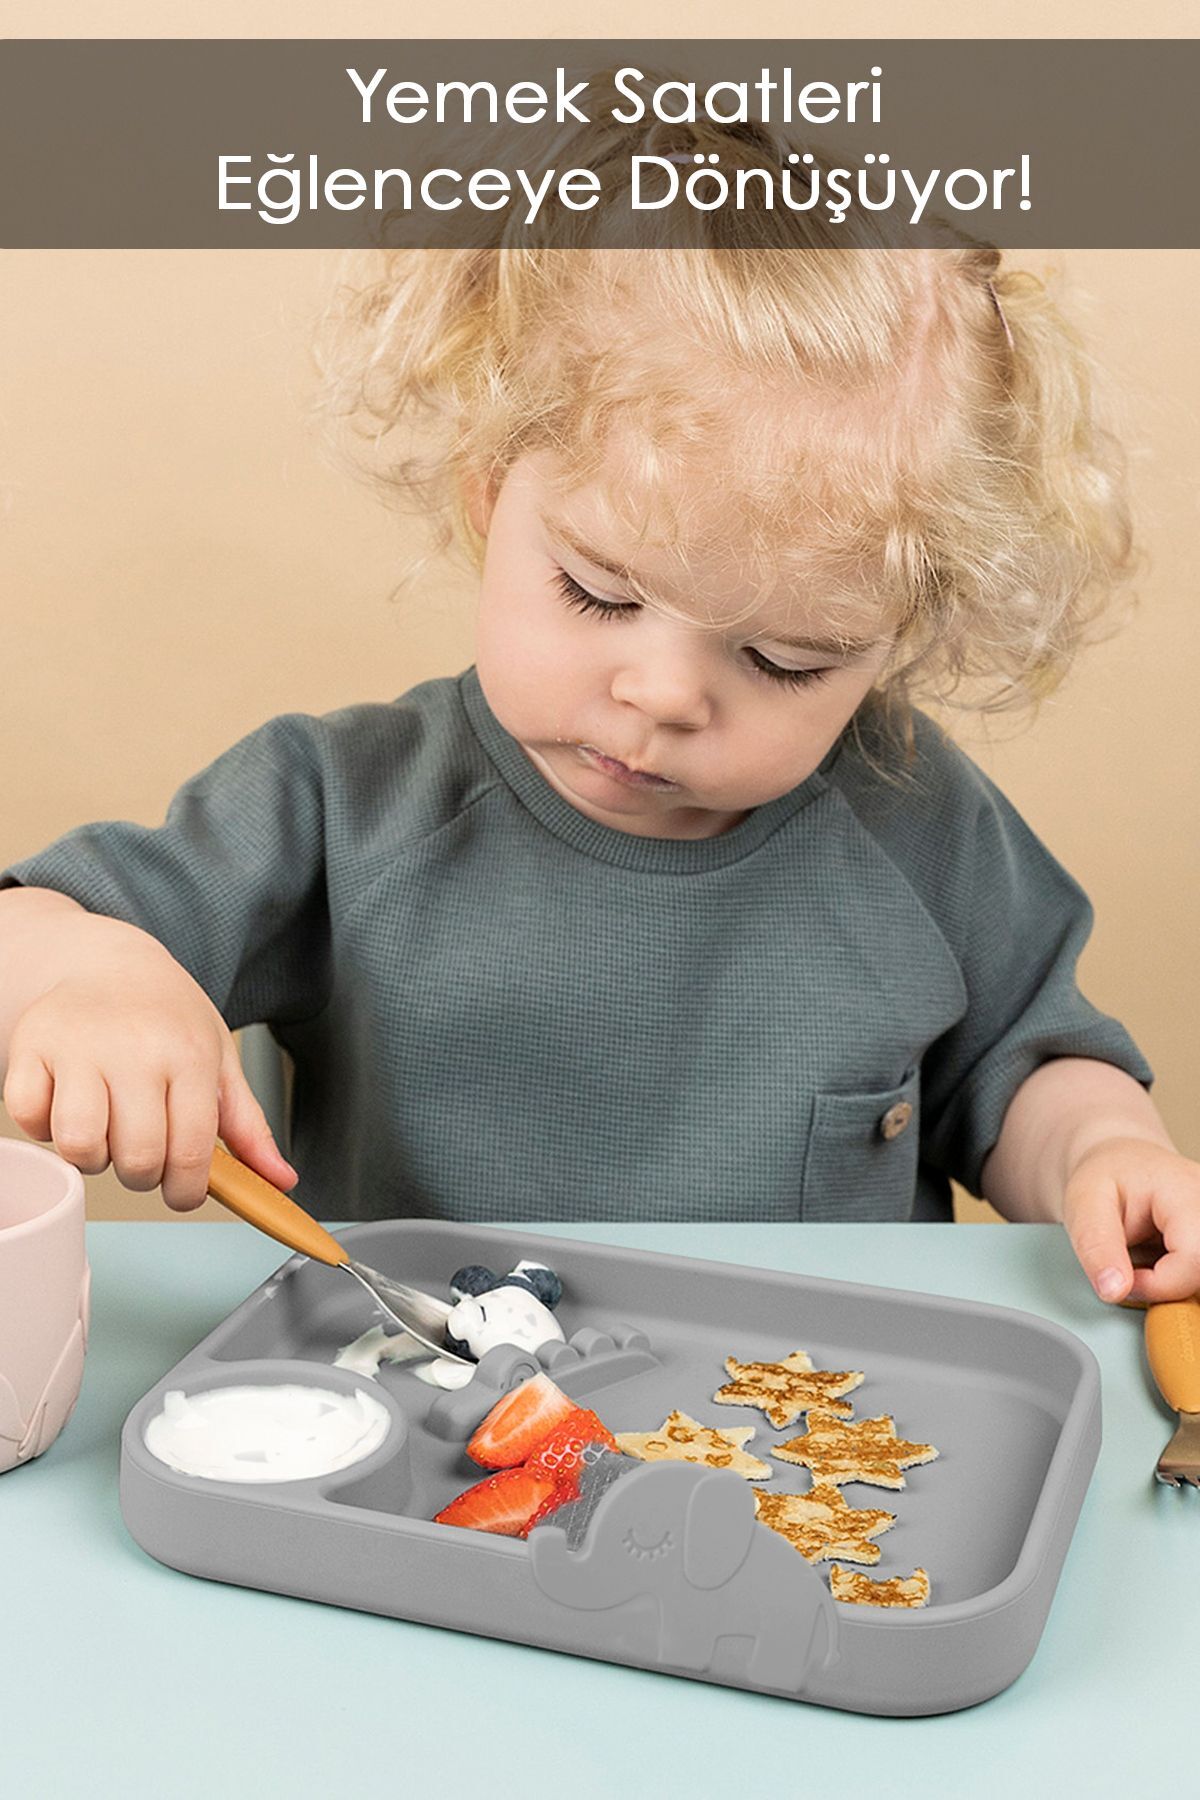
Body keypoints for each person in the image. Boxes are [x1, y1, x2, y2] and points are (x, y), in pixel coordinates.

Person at [2, 98, 1197, 1309]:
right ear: (488, 493)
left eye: (785, 660)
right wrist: (91, 977)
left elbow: (1033, 1068)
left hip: (808, 1437)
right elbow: (24, 938)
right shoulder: (339, 807)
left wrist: (1106, 1152)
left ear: (895, 640)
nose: (663, 695)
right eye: (598, 593)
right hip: (424, 1432)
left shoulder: (915, 819)